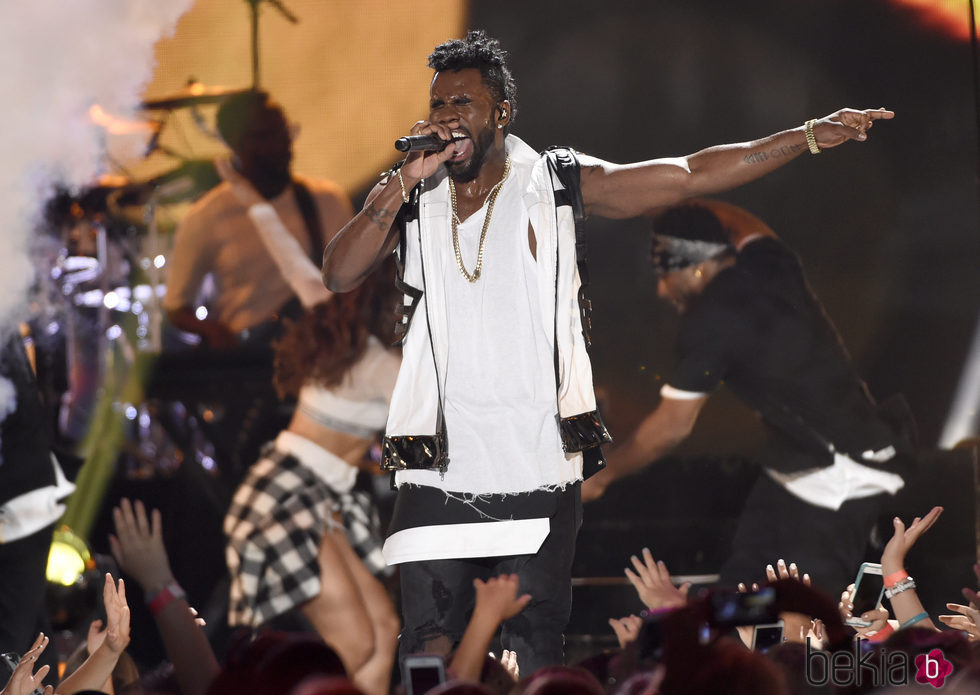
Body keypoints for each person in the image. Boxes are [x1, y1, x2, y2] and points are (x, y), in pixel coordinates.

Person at [320, 28, 892, 671]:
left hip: (535, 457)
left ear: (501, 114)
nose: (448, 118)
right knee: (425, 646)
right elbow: (338, 272)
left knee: (532, 648)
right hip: (439, 461)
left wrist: (806, 135)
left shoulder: (555, 182)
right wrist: (399, 183)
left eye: (464, 104)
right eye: (439, 105)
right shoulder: (409, 194)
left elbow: (687, 174)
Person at [584, 201, 917, 595]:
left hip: (841, 475)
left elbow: (671, 428)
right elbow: (746, 224)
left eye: (663, 275)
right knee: (739, 591)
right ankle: (725, 639)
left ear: (695, 266)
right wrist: (675, 202)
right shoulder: (769, 263)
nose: (661, 290)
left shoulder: (711, 320)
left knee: (805, 613)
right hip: (796, 465)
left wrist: (606, 474)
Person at [218, 155, 402, 695]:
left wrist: (252, 199)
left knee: (383, 631)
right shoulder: (383, 369)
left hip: (317, 496)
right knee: (352, 646)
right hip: (287, 495)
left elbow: (292, 259)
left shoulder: (333, 320)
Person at [164, 90, 353, 349]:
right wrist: (212, 331)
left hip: (321, 349)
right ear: (237, 145)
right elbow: (175, 307)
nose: (282, 143)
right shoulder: (205, 217)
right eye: (267, 136)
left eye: (284, 131)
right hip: (248, 358)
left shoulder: (326, 199)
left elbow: (357, 281)